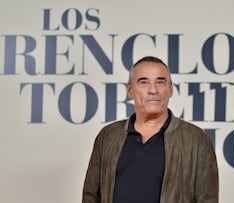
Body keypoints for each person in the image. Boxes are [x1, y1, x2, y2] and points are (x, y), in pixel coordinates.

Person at [82, 56, 219, 203]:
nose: (153, 90)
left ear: (170, 89)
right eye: (144, 82)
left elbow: (207, 199)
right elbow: (91, 196)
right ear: (130, 90)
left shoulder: (197, 139)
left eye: (160, 82)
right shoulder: (107, 136)